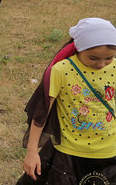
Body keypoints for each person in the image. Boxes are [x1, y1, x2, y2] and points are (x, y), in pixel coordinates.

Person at [18, 18, 116, 184]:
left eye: (109, 58)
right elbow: (42, 113)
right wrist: (32, 151)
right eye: (93, 58)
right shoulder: (61, 70)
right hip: (69, 153)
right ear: (78, 48)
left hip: (109, 152)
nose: (101, 64)